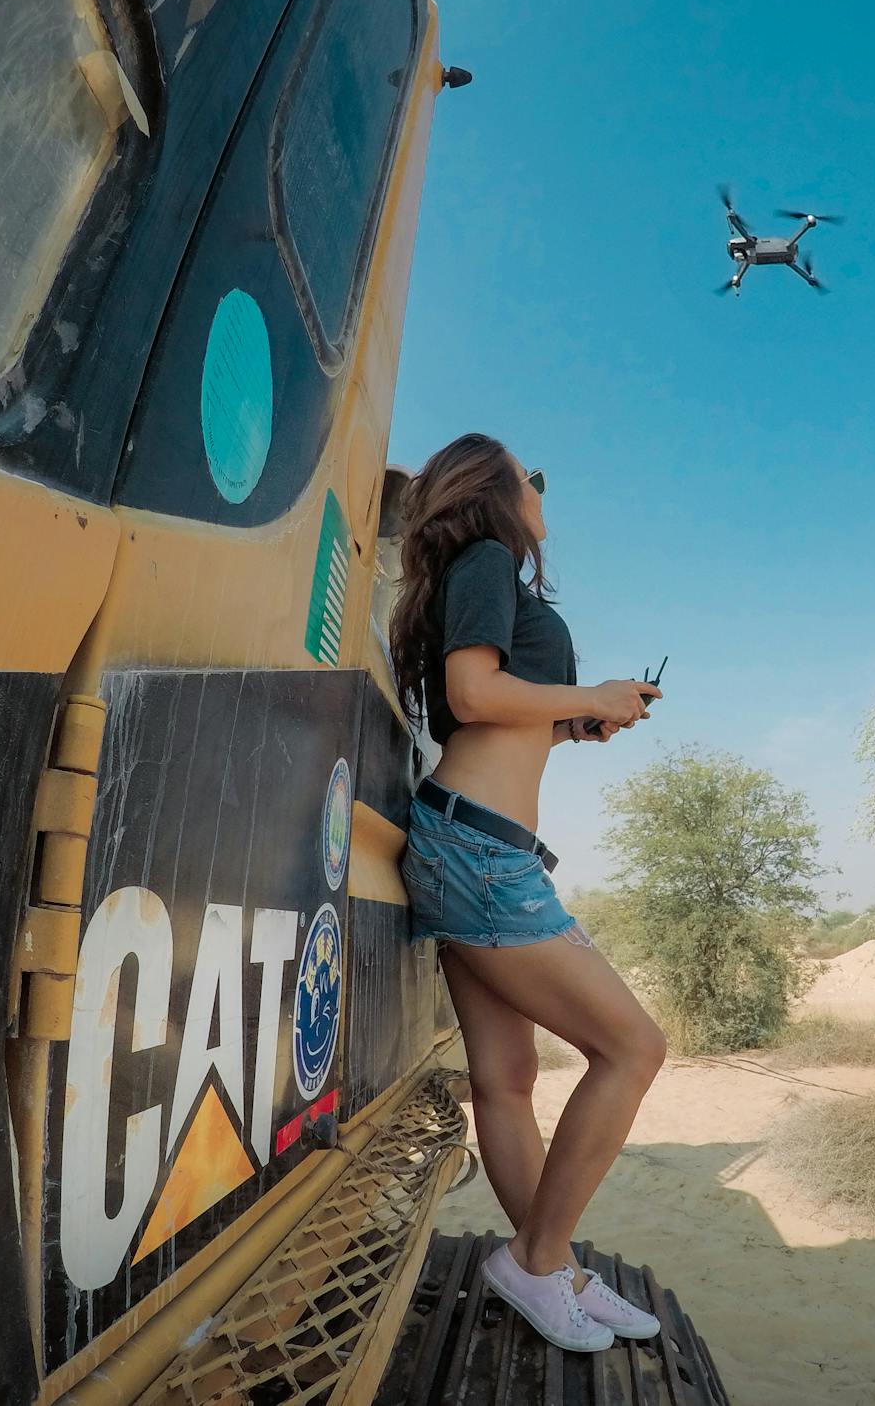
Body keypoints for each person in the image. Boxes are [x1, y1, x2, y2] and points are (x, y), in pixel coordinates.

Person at [387, 433, 668, 1352]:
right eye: (532, 476)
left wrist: (583, 721)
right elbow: (473, 695)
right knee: (632, 1047)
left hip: (468, 838)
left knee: (506, 1080)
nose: (544, 489)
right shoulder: (488, 556)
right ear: (495, 492)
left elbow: (500, 711)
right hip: (477, 851)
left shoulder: (487, 577)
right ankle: (537, 1263)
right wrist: (592, 687)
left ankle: (561, 1273)